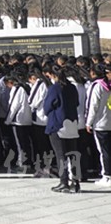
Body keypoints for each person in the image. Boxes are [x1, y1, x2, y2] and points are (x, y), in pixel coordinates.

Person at [44, 65, 81, 193]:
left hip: (58, 124)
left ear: (53, 75)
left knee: (61, 155)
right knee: (73, 154)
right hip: (72, 122)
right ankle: (75, 182)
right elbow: (77, 103)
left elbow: (47, 106)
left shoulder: (54, 88)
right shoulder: (72, 87)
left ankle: (64, 182)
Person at [85, 64, 111, 187]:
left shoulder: (97, 86)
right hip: (109, 121)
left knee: (103, 151)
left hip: (101, 123)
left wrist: (88, 122)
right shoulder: (108, 85)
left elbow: (92, 106)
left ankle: (107, 176)